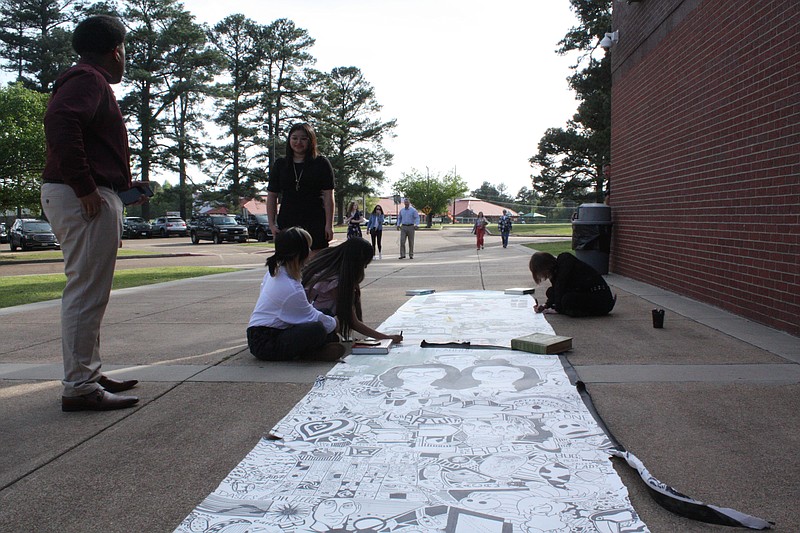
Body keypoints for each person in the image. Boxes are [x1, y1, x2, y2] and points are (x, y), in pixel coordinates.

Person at [41, 15, 146, 412]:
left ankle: (87, 371)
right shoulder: (88, 79)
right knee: (85, 294)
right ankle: (80, 386)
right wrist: (85, 187)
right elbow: (60, 121)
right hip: (79, 195)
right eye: (125, 51)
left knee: (90, 293)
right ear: (116, 51)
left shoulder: (84, 78)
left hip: (85, 193)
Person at [247, 227, 345, 362]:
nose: (311, 252)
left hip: (270, 331)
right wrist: (334, 323)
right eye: (308, 248)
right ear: (300, 253)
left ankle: (317, 348)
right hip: (266, 342)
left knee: (325, 313)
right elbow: (310, 316)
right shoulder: (289, 288)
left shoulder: (277, 272)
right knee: (318, 329)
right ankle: (311, 353)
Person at [302, 237, 403, 344]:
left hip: (305, 320)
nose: (364, 269)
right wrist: (386, 337)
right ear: (357, 264)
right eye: (364, 265)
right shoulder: (336, 282)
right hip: (312, 325)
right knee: (333, 332)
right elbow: (353, 321)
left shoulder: (327, 261)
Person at [266, 123, 335, 255]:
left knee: (315, 264)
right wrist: (272, 224)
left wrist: (329, 225)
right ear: (289, 140)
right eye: (295, 138)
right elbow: (272, 195)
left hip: (315, 220)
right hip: (288, 220)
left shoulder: (321, 163)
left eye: (303, 138)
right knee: (289, 262)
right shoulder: (280, 164)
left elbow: (329, 195)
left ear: (311, 140)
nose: (298, 142)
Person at [529, 252, 615, 317]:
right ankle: (568, 310)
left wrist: (557, 309)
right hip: (584, 292)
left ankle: (571, 311)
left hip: (600, 297)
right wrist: (545, 305)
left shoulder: (565, 260)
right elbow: (556, 290)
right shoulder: (555, 273)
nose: (544, 276)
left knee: (567, 300)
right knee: (550, 292)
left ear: (546, 266)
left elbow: (560, 286)